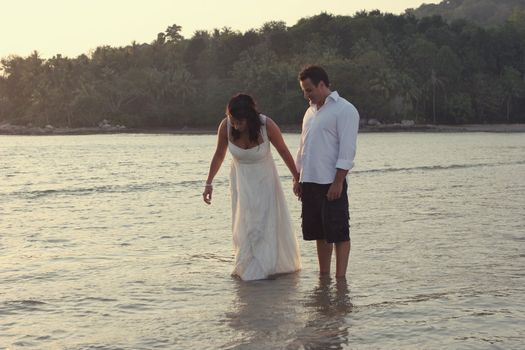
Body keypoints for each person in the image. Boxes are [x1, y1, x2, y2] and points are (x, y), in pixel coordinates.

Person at [203, 93, 301, 281]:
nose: (236, 125)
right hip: (241, 184)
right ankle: (249, 267)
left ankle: (266, 269)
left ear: (250, 118)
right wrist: (209, 183)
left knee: (263, 224)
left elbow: (283, 151)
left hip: (265, 181)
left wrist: (297, 177)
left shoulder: (266, 125)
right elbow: (219, 155)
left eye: (239, 122)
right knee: (245, 225)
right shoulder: (226, 127)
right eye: (233, 120)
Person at [293, 65, 359, 278]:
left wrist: (338, 181)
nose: (306, 95)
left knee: (338, 231)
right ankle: (324, 276)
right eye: (303, 90)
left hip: (331, 181)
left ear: (322, 85)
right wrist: (297, 177)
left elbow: (347, 150)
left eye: (309, 90)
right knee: (319, 232)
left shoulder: (345, 109)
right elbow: (303, 147)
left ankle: (341, 280)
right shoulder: (310, 112)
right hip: (309, 180)